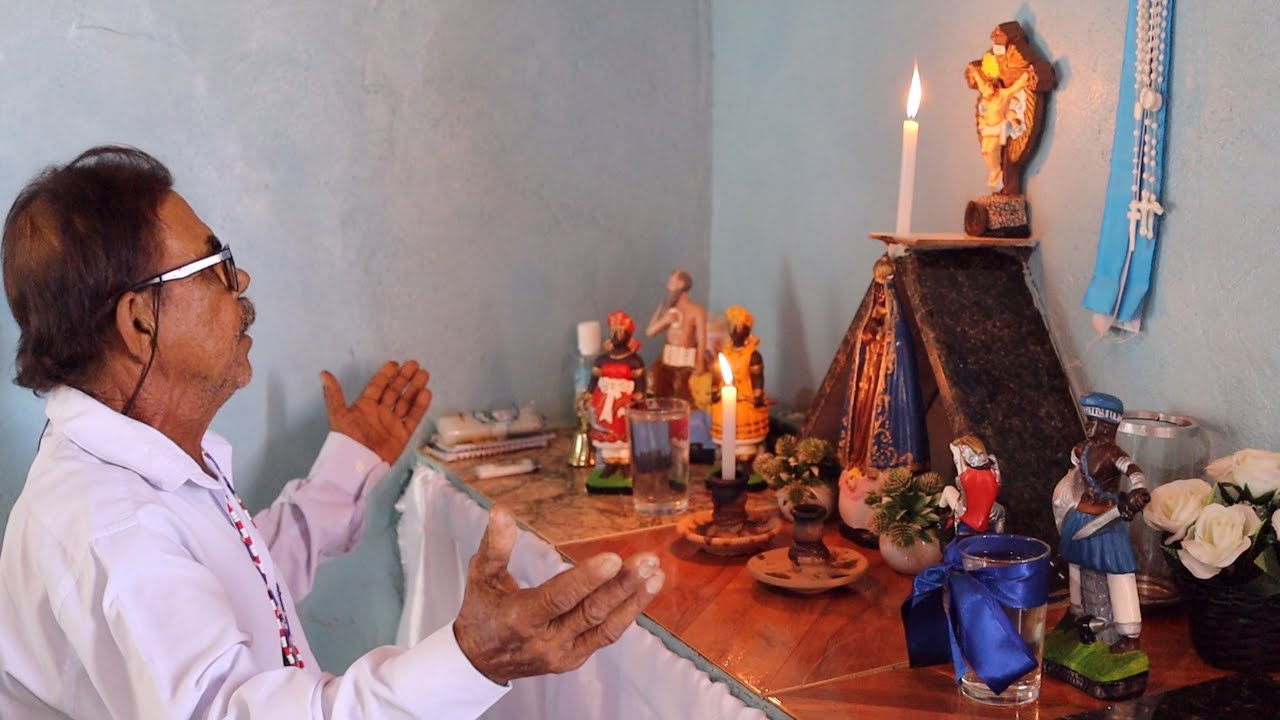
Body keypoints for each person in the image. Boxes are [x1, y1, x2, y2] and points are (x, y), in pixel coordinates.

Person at [0, 146, 664, 718]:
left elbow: (235, 590)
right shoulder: (110, 527)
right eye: (215, 265)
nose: (242, 280)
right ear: (139, 321)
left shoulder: (139, 473)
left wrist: (346, 470)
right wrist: (471, 660)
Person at [1052, 392, 1150, 653]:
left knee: (1120, 573)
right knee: (1075, 565)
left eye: (1092, 421)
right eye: (1088, 420)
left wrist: (1137, 491)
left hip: (1108, 520)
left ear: (1107, 426)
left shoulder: (1113, 454)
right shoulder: (1081, 450)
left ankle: (1129, 633)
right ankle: (1078, 615)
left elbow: (1134, 471)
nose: (1088, 426)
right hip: (1081, 516)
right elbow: (1074, 471)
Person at [587, 310, 647, 485]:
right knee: (607, 429)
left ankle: (626, 465)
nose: (616, 336)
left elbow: (641, 382)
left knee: (623, 431)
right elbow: (594, 380)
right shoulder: (601, 360)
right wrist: (589, 394)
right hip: (604, 401)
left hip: (624, 402)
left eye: (620, 332)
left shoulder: (634, 361)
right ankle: (610, 465)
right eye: (613, 331)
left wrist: (638, 397)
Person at [644, 268, 707, 404]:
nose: (668, 285)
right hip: (667, 360)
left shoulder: (696, 310)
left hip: (687, 361)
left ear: (681, 284)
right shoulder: (665, 307)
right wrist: (665, 320)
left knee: (683, 395)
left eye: (672, 281)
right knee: (655, 383)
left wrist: (700, 362)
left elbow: (702, 338)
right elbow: (650, 331)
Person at [940, 434, 1003, 536]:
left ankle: (940, 519)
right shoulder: (992, 472)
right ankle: (999, 537)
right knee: (1001, 512)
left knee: (948, 490)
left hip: (968, 514)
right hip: (988, 511)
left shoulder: (964, 478)